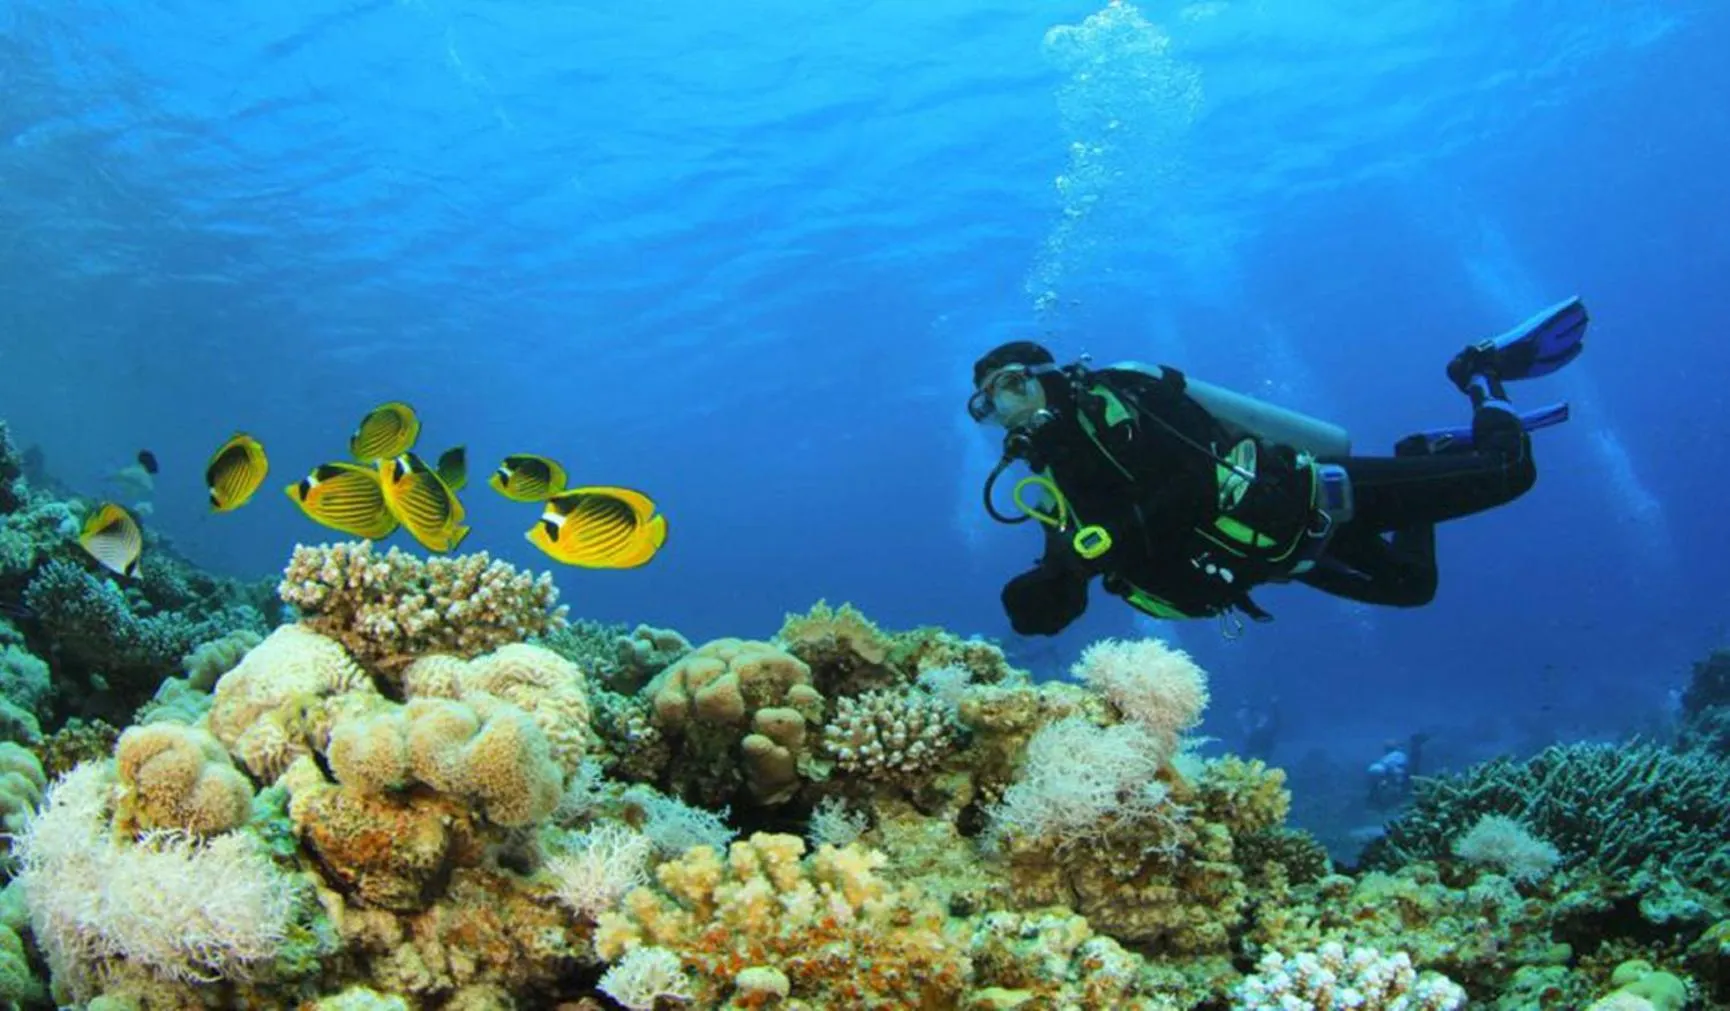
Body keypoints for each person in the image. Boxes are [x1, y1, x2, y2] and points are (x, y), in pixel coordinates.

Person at [968, 298, 1588, 635]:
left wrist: (1114, 539)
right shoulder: (1049, 480)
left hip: (1311, 496)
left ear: (1048, 379)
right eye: (990, 405)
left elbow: (1194, 477)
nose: (1008, 411)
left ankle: (1480, 371)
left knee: (1508, 470)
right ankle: (1418, 455)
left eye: (1014, 387)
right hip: (1285, 555)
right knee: (1411, 586)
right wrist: (1054, 591)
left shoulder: (1125, 395)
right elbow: (1074, 557)